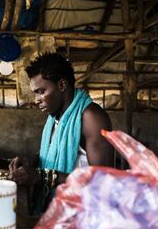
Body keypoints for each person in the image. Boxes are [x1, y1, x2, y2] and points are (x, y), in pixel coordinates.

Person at [9, 52, 114, 214]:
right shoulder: (57, 116)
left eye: (41, 91)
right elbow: (50, 153)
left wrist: (43, 177)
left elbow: (102, 181)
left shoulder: (92, 118)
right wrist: (29, 162)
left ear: (62, 85)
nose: (36, 99)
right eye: (35, 93)